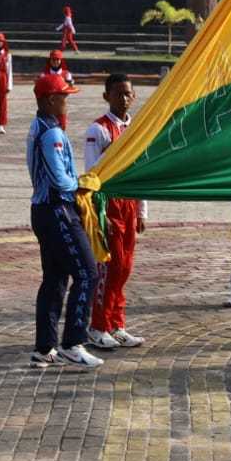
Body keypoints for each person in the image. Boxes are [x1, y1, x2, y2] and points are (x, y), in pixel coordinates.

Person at [26, 70, 100, 368]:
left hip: (43, 210)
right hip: (57, 210)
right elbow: (59, 179)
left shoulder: (39, 126)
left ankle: (45, 347)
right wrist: (81, 184)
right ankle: (73, 342)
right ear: (50, 100)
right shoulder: (52, 134)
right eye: (63, 97)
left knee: (55, 279)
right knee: (87, 273)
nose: (67, 102)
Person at [85, 73, 147, 350]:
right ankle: (97, 326)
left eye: (128, 94)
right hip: (108, 205)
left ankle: (116, 324)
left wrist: (142, 210)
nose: (123, 98)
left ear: (134, 97)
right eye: (118, 93)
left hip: (129, 204)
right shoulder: (98, 130)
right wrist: (99, 215)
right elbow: (92, 175)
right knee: (109, 269)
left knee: (124, 268)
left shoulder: (138, 129)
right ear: (106, 96)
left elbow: (141, 171)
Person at [41, 50, 75, 129]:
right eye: (53, 59)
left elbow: (69, 90)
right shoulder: (44, 75)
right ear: (50, 60)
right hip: (47, 109)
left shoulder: (67, 75)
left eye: (57, 59)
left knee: (61, 129)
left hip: (61, 108)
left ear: (61, 60)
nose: (55, 62)